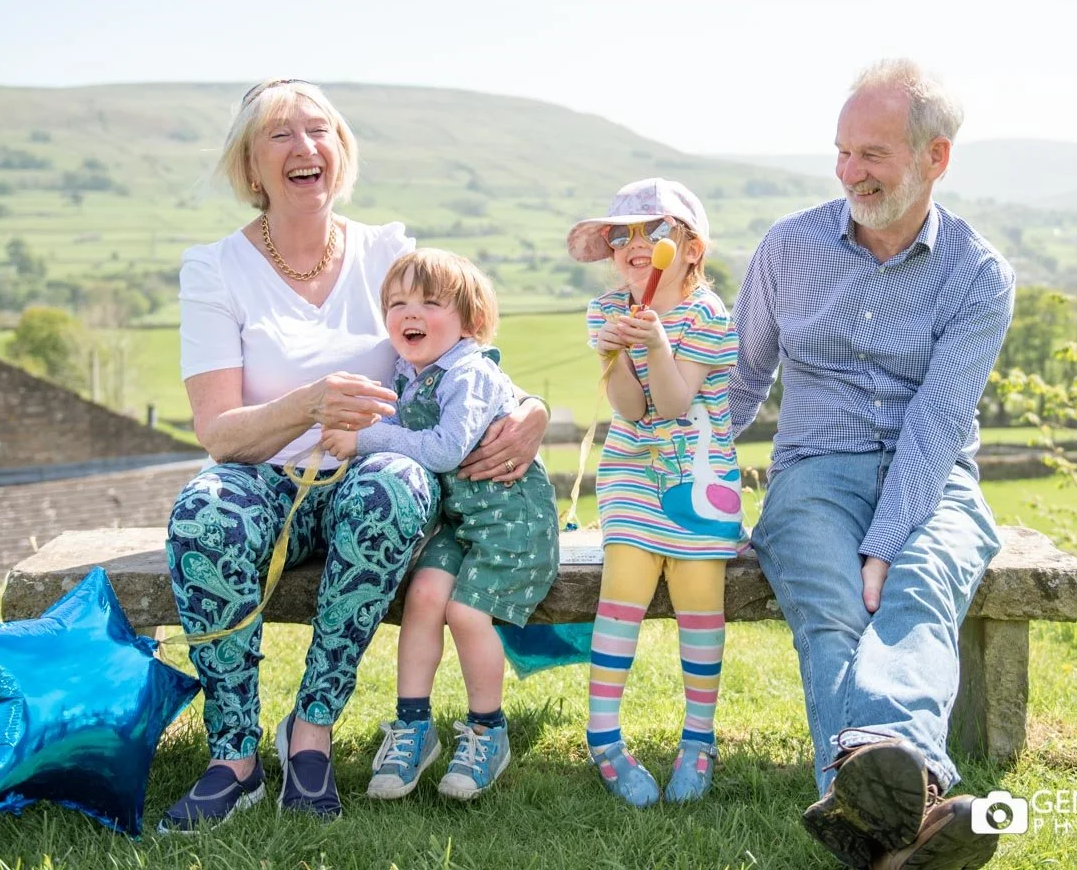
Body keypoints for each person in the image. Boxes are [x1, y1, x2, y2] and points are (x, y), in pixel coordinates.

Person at [160, 79, 550, 832]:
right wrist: (308, 404)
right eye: (281, 135)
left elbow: (458, 347)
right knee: (205, 511)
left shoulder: (385, 250)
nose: (305, 148)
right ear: (250, 166)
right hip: (264, 480)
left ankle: (311, 733)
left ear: (341, 153)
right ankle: (234, 755)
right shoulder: (215, 269)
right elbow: (218, 432)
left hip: (367, 478)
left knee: (396, 484)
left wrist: (528, 407)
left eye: (320, 132)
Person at [729, 60, 1015, 870]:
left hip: (934, 475)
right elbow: (743, 379)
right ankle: (919, 798)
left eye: (873, 154)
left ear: (936, 158)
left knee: (918, 591)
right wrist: (682, 473)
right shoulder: (788, 248)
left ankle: (877, 821)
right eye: (842, 152)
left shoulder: (978, 273)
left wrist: (886, 543)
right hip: (815, 470)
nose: (850, 172)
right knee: (833, 609)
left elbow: (937, 421)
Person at [314, 248, 560, 802]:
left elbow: (447, 450)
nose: (410, 313)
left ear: (470, 323)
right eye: (397, 303)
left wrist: (366, 440)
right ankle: (413, 727)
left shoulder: (468, 373)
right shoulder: (413, 372)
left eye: (430, 302)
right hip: (464, 521)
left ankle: (487, 731)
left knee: (465, 612)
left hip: (511, 522)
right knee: (424, 594)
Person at [567, 177, 745, 807]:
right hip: (633, 476)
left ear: (691, 249)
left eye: (654, 231)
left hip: (700, 481)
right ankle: (604, 738)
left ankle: (699, 739)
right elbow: (634, 410)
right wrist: (615, 356)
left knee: (700, 601)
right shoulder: (606, 312)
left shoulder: (706, 314)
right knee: (622, 596)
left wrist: (657, 342)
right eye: (622, 235)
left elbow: (673, 403)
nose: (635, 245)